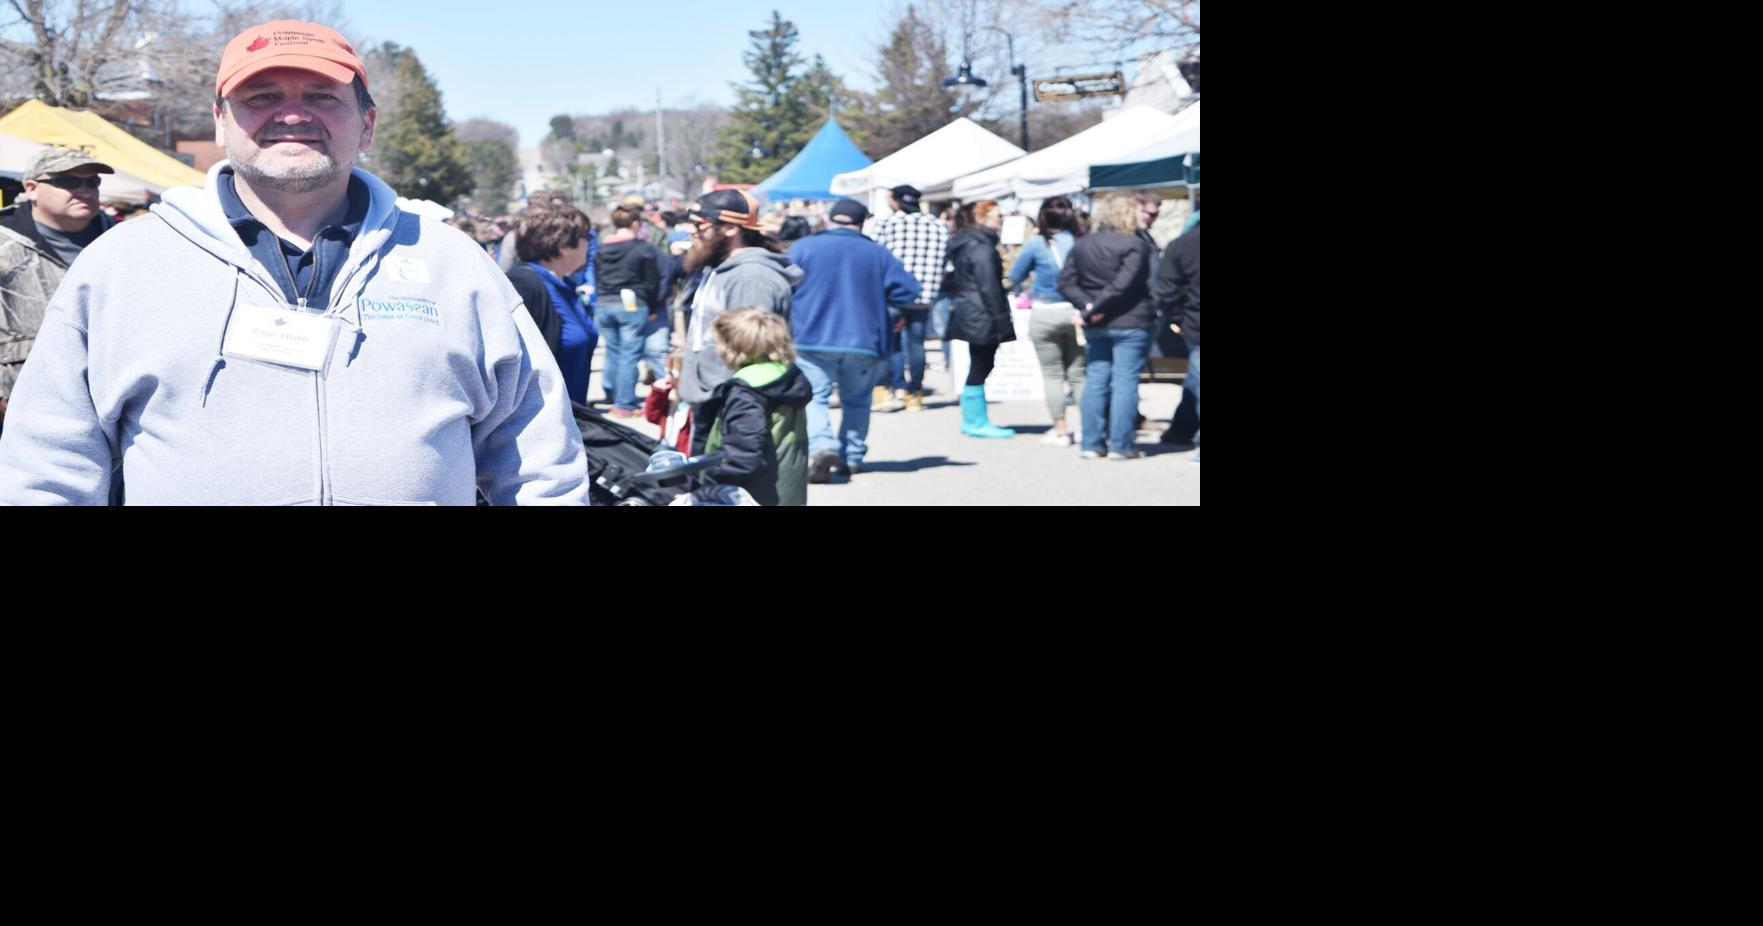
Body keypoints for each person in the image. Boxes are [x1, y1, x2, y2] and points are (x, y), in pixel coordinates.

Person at [0, 19, 587, 505]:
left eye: (321, 96)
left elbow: (540, 461)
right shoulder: (121, 267)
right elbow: (47, 467)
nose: (292, 114)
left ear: (367, 124)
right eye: (262, 97)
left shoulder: (453, 263)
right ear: (221, 122)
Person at [786, 199, 920, 482]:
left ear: (828, 219)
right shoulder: (876, 253)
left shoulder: (802, 248)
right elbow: (908, 290)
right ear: (861, 223)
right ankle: (852, 457)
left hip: (811, 337)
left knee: (814, 397)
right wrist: (886, 309)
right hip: (864, 338)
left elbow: (782, 286)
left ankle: (822, 445)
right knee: (857, 401)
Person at [1, 148, 118, 438]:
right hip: (17, 409)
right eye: (67, 182)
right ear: (31, 189)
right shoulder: (4, 243)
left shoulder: (122, 242)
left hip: (107, 406)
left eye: (93, 182)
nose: (84, 191)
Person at [677, 189, 801, 413]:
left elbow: (753, 353)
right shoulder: (718, 270)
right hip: (712, 399)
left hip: (735, 405)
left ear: (731, 228)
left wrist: (737, 407)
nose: (692, 233)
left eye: (700, 226)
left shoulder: (751, 278)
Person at [1059, 193, 1155, 461]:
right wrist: (1093, 308)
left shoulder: (1084, 243)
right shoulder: (1135, 245)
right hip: (1129, 321)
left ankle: (1091, 442)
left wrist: (1089, 307)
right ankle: (1120, 444)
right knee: (1123, 382)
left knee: (1097, 378)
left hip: (1099, 322)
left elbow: (1066, 282)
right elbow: (1121, 286)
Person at [690, 307, 812, 506]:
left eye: (719, 342)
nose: (716, 349)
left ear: (735, 347)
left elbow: (742, 455)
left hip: (752, 494)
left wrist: (705, 480)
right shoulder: (785, 377)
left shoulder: (748, 392)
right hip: (786, 490)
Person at [1009, 196, 1086, 447]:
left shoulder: (1036, 244)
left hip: (1045, 311)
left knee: (1052, 375)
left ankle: (1061, 430)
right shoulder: (1080, 242)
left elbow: (1015, 275)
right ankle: (1088, 428)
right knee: (1078, 374)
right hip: (1076, 313)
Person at [502, 205, 597, 406]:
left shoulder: (563, 284)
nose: (590, 244)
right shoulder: (524, 285)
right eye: (586, 238)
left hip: (571, 417)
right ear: (564, 245)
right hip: (540, 425)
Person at [944, 199, 1016, 439]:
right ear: (981, 218)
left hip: (971, 309)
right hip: (981, 312)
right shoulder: (981, 247)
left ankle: (973, 418)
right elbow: (990, 288)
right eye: (997, 215)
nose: (1002, 219)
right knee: (982, 363)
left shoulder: (971, 243)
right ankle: (974, 420)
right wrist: (1002, 321)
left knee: (980, 363)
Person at [872, 184, 947, 413]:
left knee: (888, 342)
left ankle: (886, 389)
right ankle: (914, 394)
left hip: (891, 293)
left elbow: (874, 255)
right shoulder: (939, 226)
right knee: (916, 344)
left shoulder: (888, 223)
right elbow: (944, 261)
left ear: (896, 201)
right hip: (924, 294)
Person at [594, 203, 663, 417]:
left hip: (605, 303)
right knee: (628, 354)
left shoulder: (602, 248)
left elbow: (596, 275)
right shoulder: (643, 248)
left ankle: (612, 393)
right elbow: (652, 282)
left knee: (613, 351)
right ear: (635, 223)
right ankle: (624, 403)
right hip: (633, 304)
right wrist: (652, 307)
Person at [1154, 214, 1200, 463]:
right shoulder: (1183, 244)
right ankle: (1180, 431)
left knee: (1197, 377)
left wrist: (1179, 319)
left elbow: (1167, 289)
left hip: (1194, 323)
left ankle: (1180, 430)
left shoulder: (1181, 244)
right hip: (1194, 322)